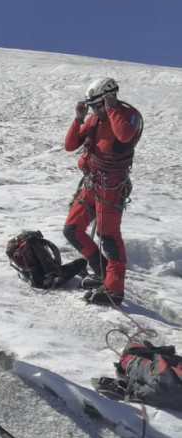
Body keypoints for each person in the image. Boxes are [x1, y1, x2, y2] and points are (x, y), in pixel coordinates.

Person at [63, 78, 143, 305]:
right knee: (72, 230)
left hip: (111, 186)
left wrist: (112, 108)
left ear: (110, 97)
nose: (95, 110)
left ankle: (114, 289)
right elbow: (70, 145)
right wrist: (79, 118)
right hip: (92, 183)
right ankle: (102, 272)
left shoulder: (127, 116)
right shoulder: (94, 120)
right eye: (93, 106)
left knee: (108, 237)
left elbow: (125, 136)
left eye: (98, 105)